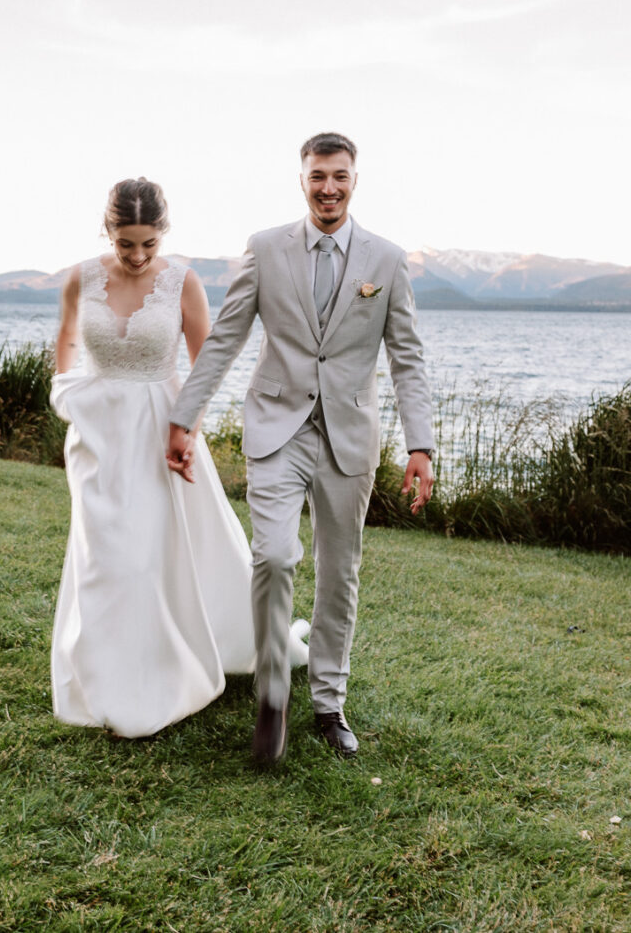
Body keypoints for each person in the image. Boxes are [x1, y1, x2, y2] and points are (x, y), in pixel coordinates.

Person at [167, 133, 435, 764]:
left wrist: (419, 444)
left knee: (339, 571)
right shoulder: (264, 250)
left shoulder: (388, 261)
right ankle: (272, 694)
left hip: (349, 436)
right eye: (318, 176)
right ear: (303, 180)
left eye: (339, 176)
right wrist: (186, 416)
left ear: (354, 180)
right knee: (274, 557)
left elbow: (408, 359)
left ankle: (329, 704)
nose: (329, 188)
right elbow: (225, 340)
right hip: (276, 427)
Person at [49, 177, 309, 739]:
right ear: (108, 231)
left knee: (148, 557)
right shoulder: (79, 279)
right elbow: (65, 345)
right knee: (104, 558)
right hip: (96, 438)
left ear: (162, 234)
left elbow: (207, 366)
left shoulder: (183, 284)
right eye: (126, 244)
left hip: (162, 434)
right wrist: (68, 394)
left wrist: (186, 430)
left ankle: (156, 678)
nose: (138, 256)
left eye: (149, 243)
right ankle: (104, 675)